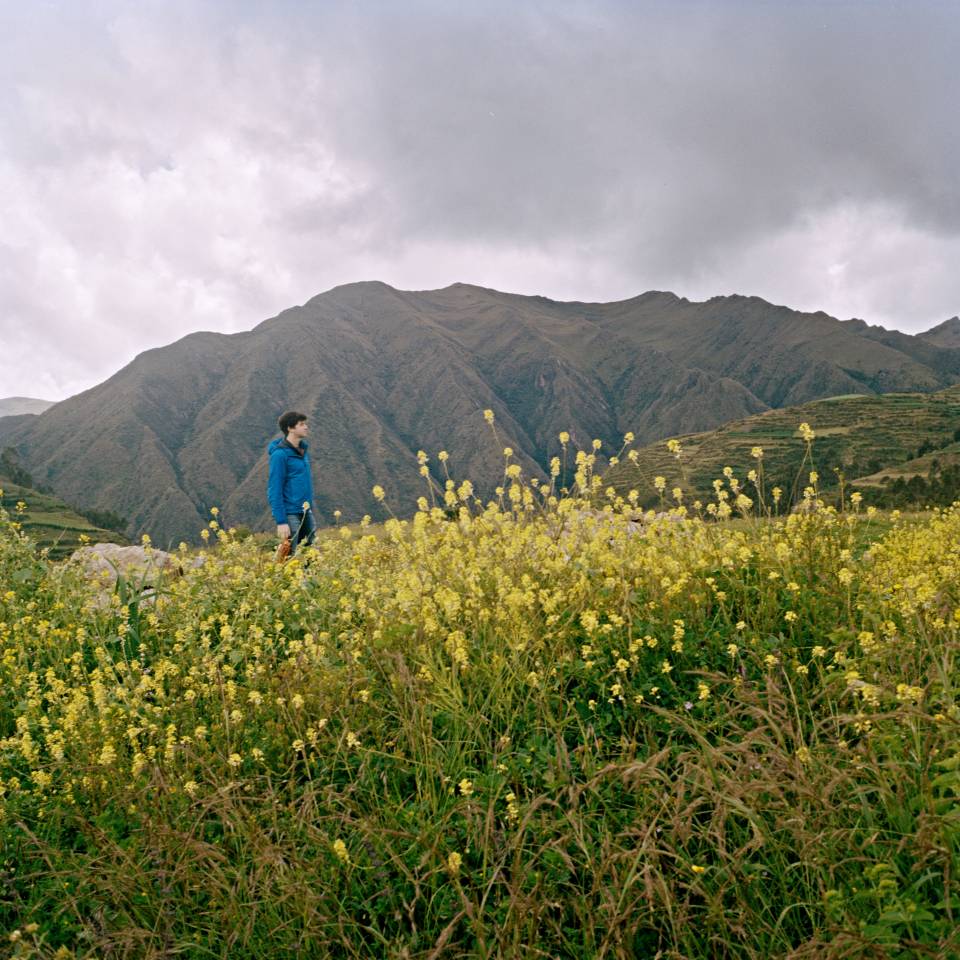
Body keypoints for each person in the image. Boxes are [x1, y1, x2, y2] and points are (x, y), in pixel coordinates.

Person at [267, 411, 316, 555]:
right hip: (290, 514)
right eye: (302, 424)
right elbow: (274, 489)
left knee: (310, 554)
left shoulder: (302, 451)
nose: (306, 427)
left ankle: (309, 578)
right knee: (289, 555)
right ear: (290, 428)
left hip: (306, 511)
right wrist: (281, 521)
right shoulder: (279, 455)